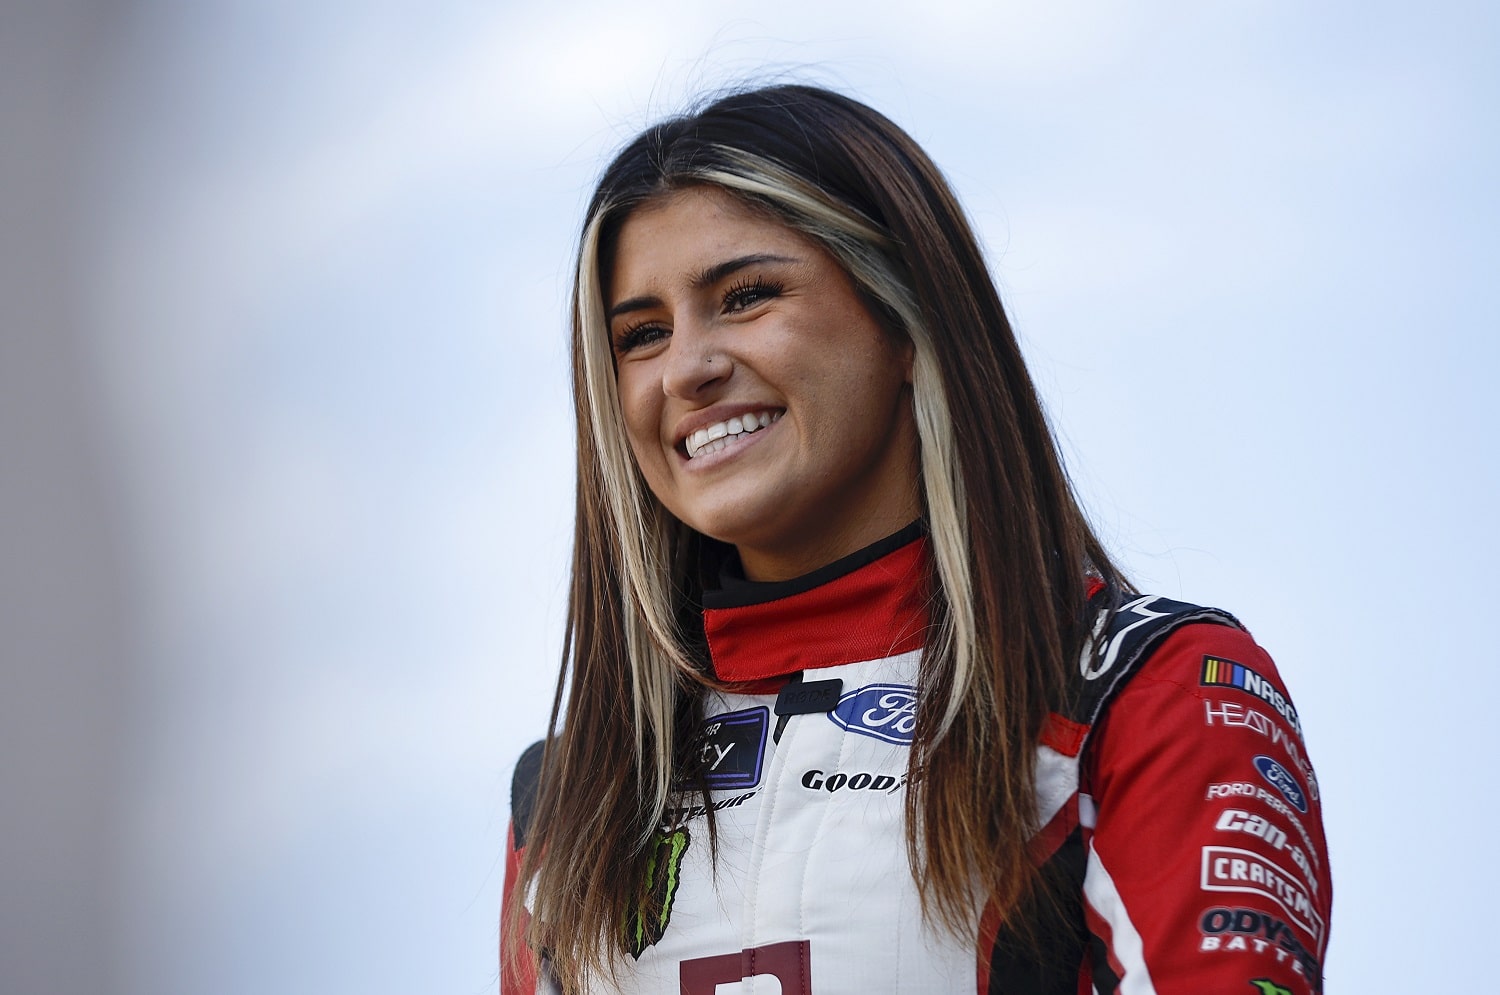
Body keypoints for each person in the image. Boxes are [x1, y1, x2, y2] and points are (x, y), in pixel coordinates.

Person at [501, 84, 1330, 995]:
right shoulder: (572, 793)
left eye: (744, 297)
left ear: (907, 319)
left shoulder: (1148, 689)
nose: (688, 370)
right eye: (642, 335)